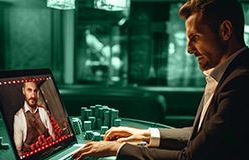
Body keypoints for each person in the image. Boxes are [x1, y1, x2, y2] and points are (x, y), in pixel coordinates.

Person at [71, 0, 249, 159]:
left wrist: (117, 148)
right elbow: (203, 136)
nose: (189, 49)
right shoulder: (230, 73)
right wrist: (146, 135)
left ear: (225, 31)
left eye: (195, 38)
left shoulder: (241, 81)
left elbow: (192, 156)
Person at [13, 80, 55, 156]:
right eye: (29, 90)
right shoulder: (18, 117)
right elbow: (18, 150)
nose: (33, 95)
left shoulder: (43, 111)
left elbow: (52, 136)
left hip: (50, 153)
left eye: (35, 91)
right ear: (23, 91)